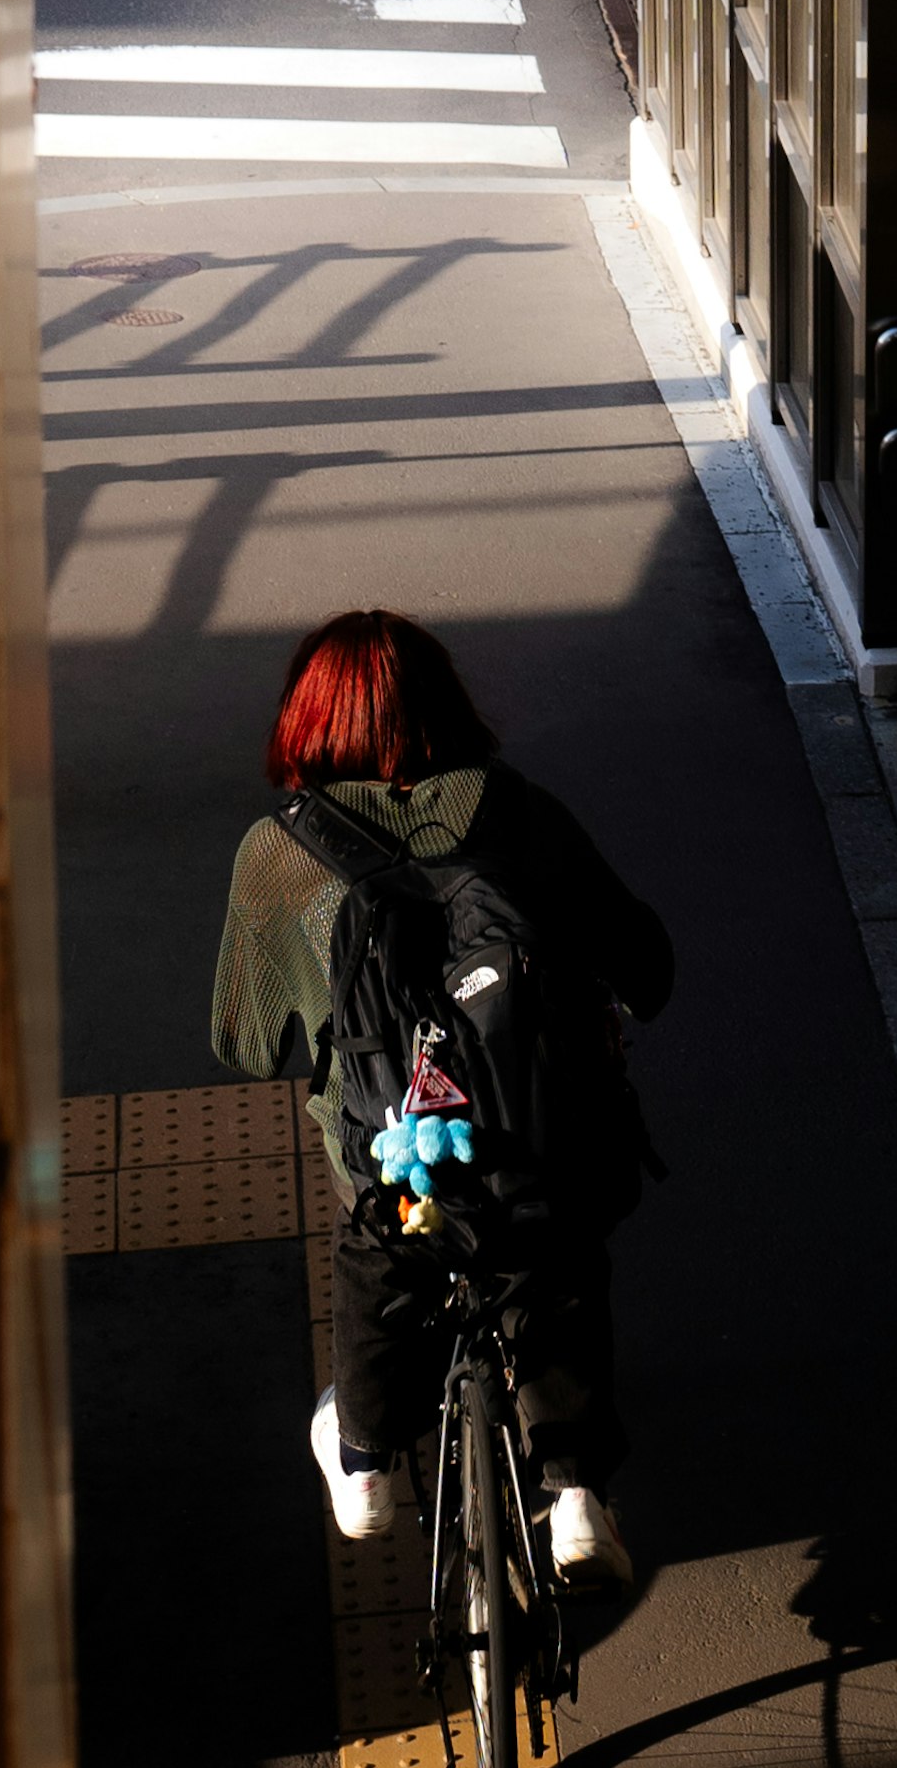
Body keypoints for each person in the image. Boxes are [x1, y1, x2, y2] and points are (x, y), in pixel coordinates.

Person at [211, 607, 673, 1579]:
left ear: (305, 717)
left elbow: (247, 1048)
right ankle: (579, 1498)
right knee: (549, 1243)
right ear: (446, 703)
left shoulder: (277, 850)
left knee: (386, 1230)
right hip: (535, 1121)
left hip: (388, 1141)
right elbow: (647, 965)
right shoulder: (517, 810)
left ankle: (369, 1457)